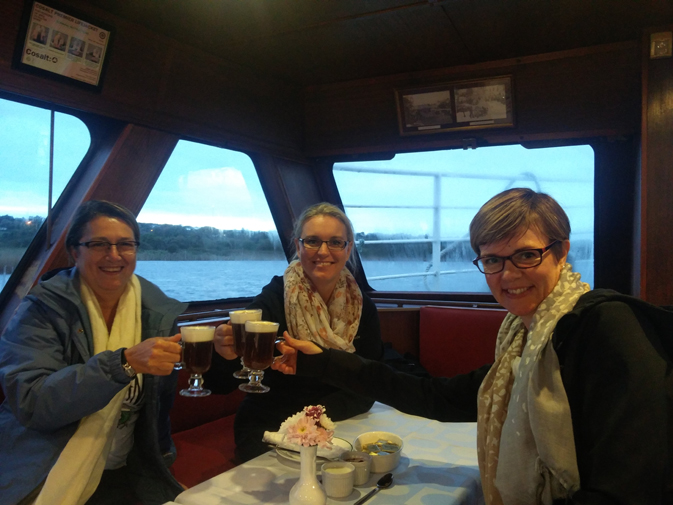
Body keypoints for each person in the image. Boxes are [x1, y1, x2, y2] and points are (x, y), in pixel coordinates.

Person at [272, 188, 673, 505]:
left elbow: (629, 489)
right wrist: (324, 363)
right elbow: (438, 397)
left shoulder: (605, 329)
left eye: (527, 255)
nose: (508, 274)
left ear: (562, 251)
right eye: (492, 260)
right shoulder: (525, 340)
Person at [0, 201, 187, 505]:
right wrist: (121, 364)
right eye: (99, 244)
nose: (114, 255)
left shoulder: (157, 313)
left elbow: (161, 405)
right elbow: (32, 401)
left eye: (125, 245)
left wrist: (220, 353)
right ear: (75, 252)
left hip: (130, 470)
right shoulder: (41, 311)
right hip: (45, 468)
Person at [208, 202, 383, 462]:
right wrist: (223, 355)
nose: (323, 251)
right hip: (270, 427)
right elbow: (219, 385)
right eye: (312, 241)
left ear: (348, 250)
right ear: (298, 246)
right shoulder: (274, 300)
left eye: (335, 242)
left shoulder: (361, 307)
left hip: (336, 422)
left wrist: (316, 418)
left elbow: (370, 383)